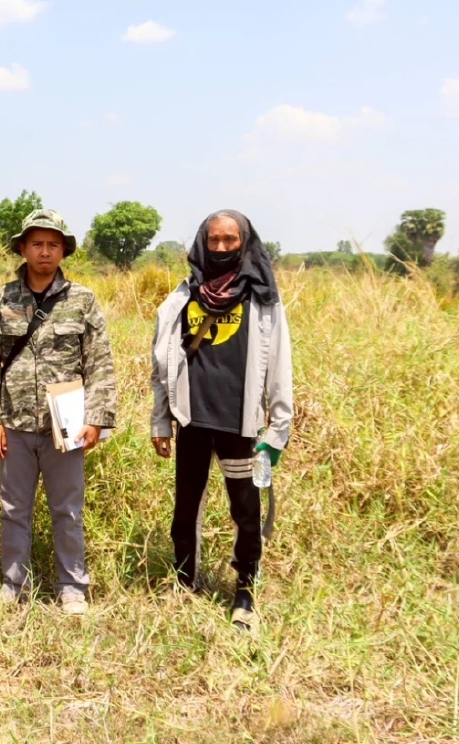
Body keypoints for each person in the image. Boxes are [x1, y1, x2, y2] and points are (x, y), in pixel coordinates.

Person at [150, 210, 292, 630]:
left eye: (230, 240)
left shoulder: (262, 299)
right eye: (214, 239)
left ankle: (245, 592)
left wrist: (278, 430)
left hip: (241, 425)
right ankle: (184, 581)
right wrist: (161, 421)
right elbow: (161, 363)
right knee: (185, 509)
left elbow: (280, 366)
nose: (221, 247)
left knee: (246, 511)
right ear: (202, 242)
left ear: (245, 243)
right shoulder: (184, 296)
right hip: (192, 421)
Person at [0, 209, 116, 615]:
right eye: (37, 243)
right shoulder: (2, 300)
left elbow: (100, 362)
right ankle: (13, 584)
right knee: (14, 510)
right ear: (23, 248)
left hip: (65, 424)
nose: (45, 251)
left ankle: (72, 587)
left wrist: (97, 418)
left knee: (67, 510)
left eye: (53, 244)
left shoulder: (82, 300)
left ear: (63, 250)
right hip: (14, 424)